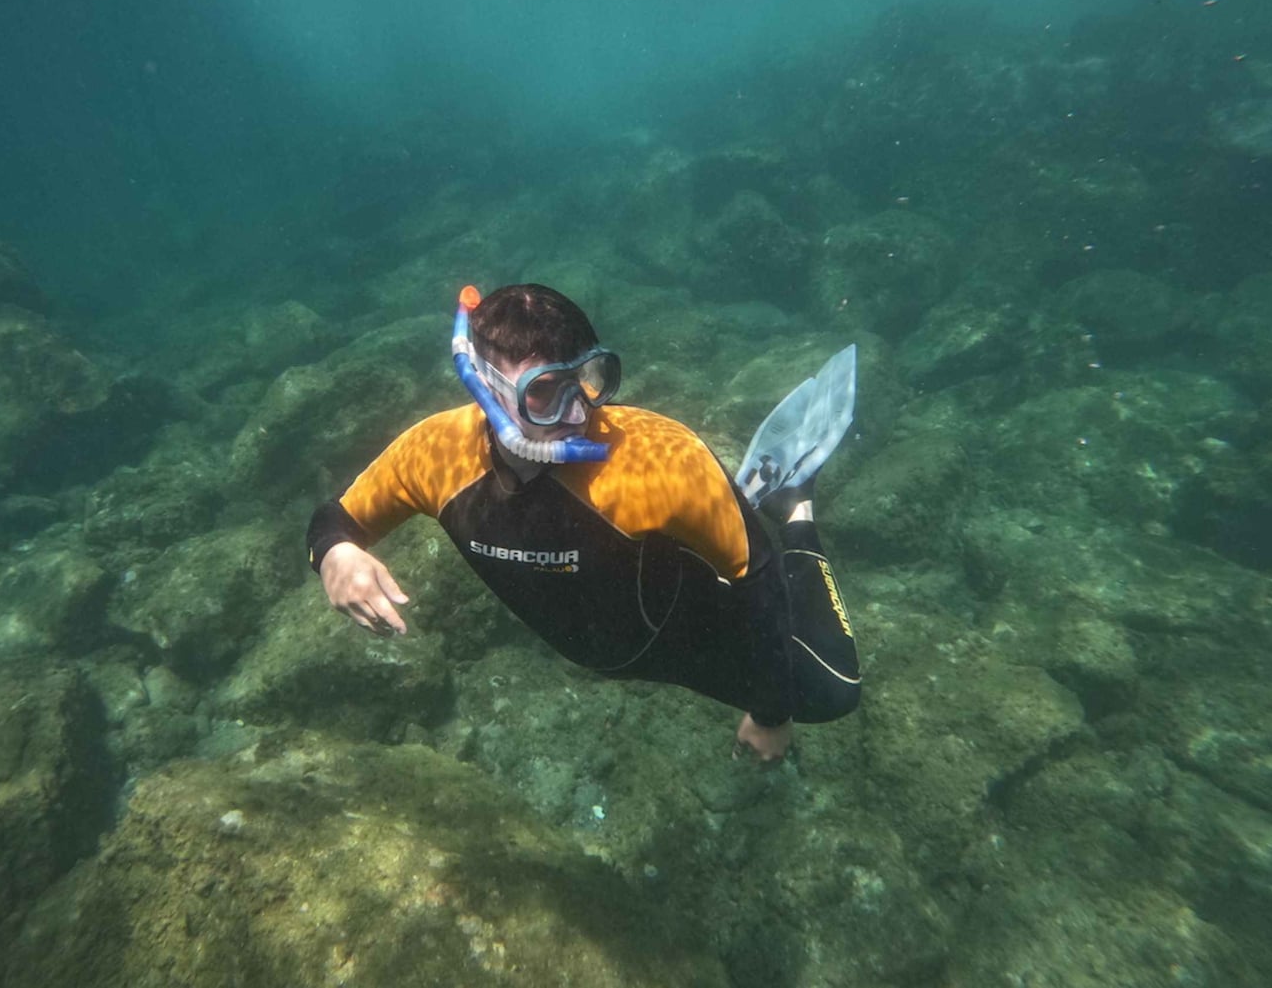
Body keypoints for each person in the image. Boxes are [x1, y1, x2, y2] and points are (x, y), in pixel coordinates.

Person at [307, 283, 860, 761]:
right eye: (544, 393)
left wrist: (769, 716)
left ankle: (794, 507)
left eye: (587, 380)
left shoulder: (662, 458)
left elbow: (756, 577)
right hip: (608, 645)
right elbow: (336, 519)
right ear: (483, 388)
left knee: (834, 693)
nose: (576, 412)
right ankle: (743, 504)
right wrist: (336, 554)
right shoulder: (434, 455)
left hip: (692, 630)